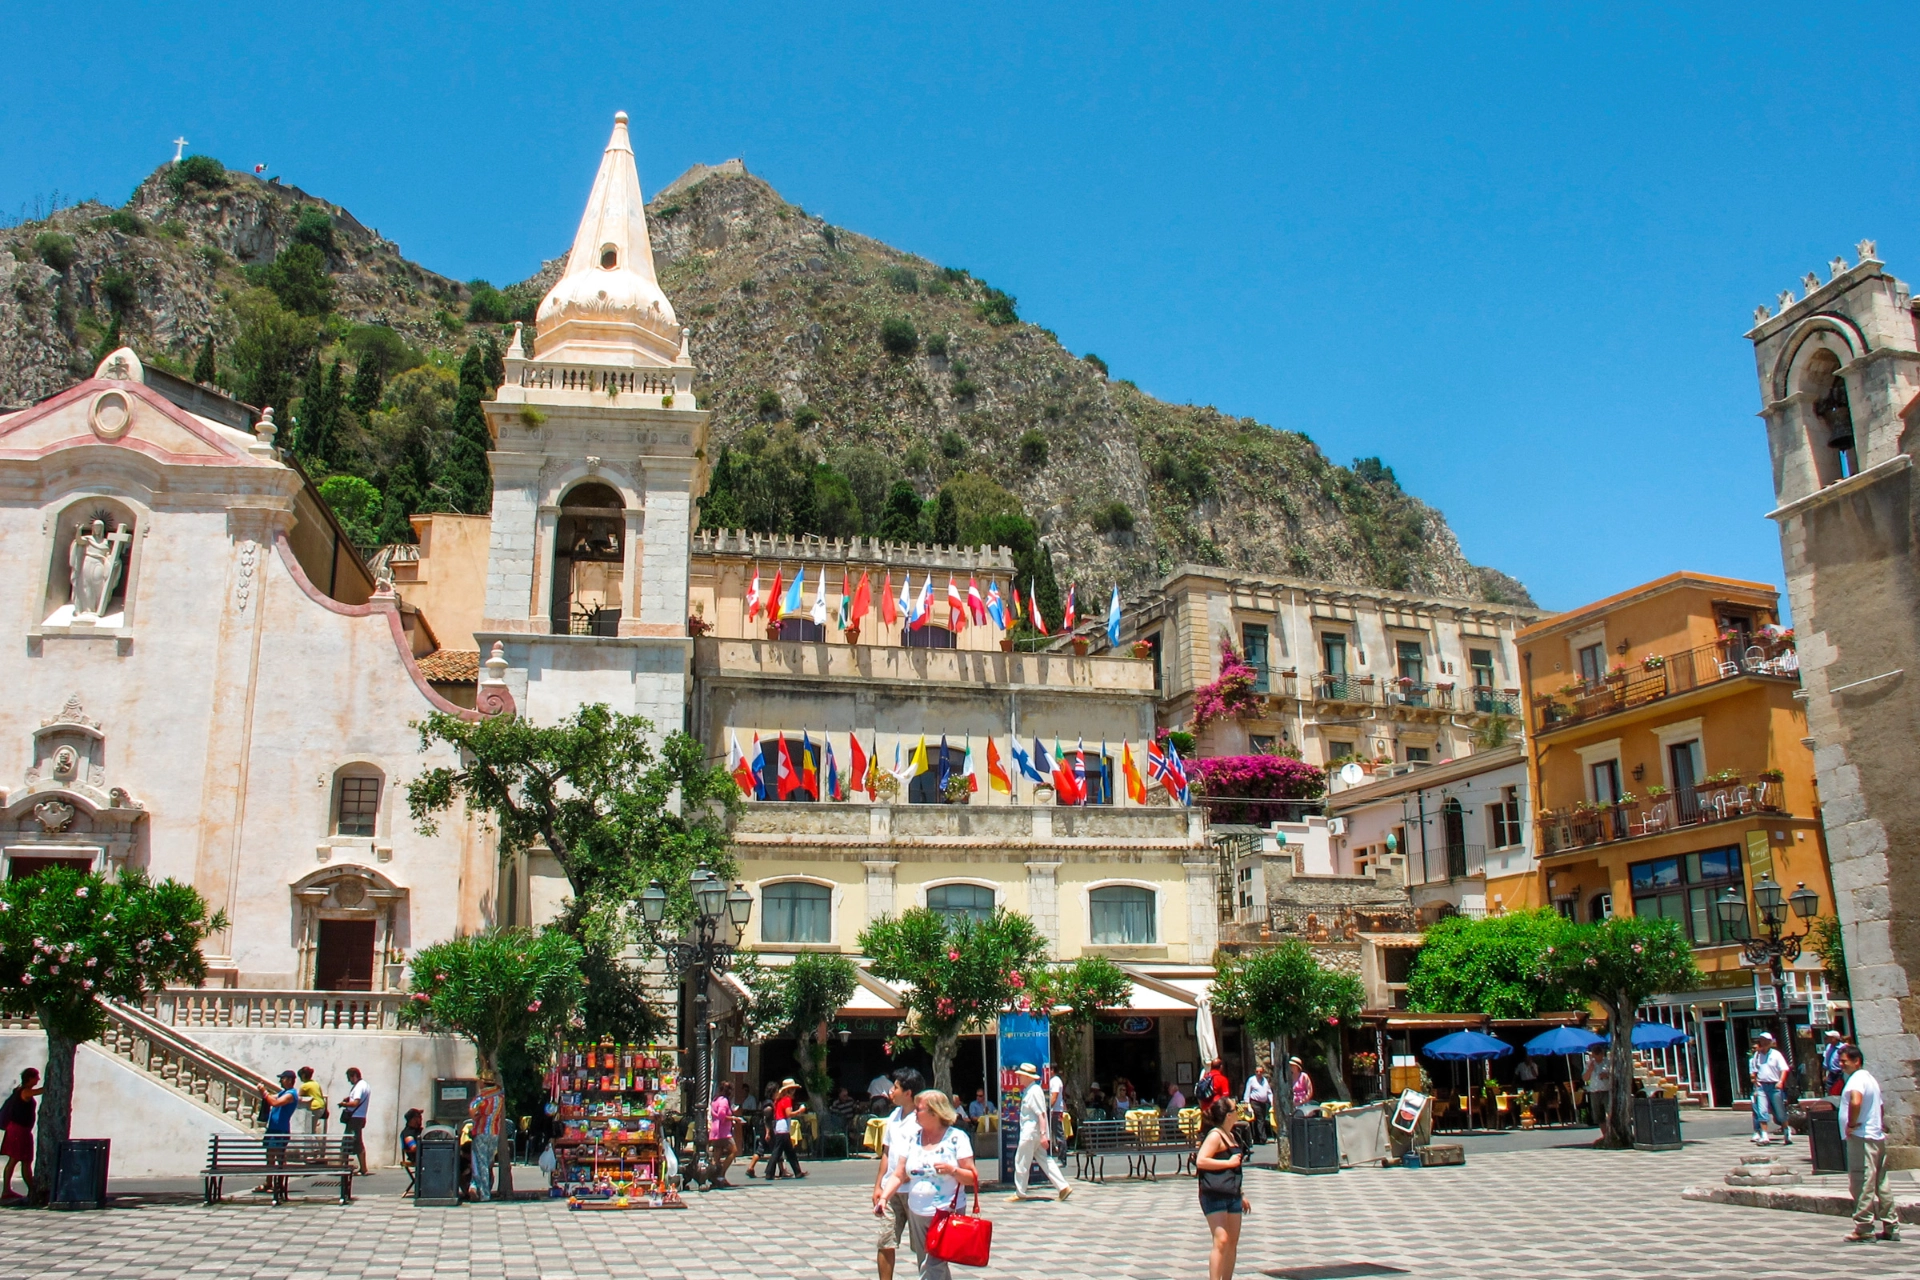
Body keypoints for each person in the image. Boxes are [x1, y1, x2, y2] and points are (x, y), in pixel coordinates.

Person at [879, 1089, 980, 1280]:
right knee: (928, 1261)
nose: (915, 1113)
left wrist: (953, 1170)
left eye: (919, 1109)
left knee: (932, 1264)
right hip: (918, 1211)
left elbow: (972, 1177)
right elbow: (899, 1174)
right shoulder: (913, 1139)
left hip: (946, 1211)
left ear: (935, 1112)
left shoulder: (956, 1138)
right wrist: (884, 1197)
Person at [1838, 1044, 1898, 1242]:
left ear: (1857, 1061)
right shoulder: (1870, 1079)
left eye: (1844, 1061)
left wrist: (1852, 1124)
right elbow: (1879, 1107)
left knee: (1861, 1180)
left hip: (1862, 1137)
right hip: (1875, 1135)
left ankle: (1864, 1227)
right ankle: (1891, 1225)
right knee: (1881, 1181)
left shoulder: (1857, 1079)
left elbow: (1856, 1101)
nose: (1841, 1064)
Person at [872, 1067, 927, 1280]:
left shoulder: (922, 1119)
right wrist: (878, 1186)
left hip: (915, 1191)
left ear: (908, 1093)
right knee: (885, 1241)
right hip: (891, 1191)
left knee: (922, 1246)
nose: (890, 1091)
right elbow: (887, 1152)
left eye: (895, 1087)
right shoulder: (894, 1115)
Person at [1195, 1095, 1250, 1280]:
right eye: (1235, 1110)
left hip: (1232, 1193)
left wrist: (1241, 1194)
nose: (1238, 1112)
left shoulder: (1232, 1135)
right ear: (1228, 1115)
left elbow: (1235, 1169)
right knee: (1221, 1240)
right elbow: (1201, 1161)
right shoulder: (1215, 1136)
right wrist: (1227, 1162)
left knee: (1232, 1242)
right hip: (1213, 1194)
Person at [1008, 1063, 1072, 1201]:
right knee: (1044, 1160)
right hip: (1034, 1133)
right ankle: (1063, 1187)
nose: (1018, 1077)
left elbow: (1041, 1114)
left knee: (1021, 1161)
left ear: (1027, 1077)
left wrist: (1043, 1135)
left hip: (1030, 1133)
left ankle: (1020, 1192)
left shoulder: (1033, 1092)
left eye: (1020, 1075)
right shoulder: (1031, 1090)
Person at [1, 1068, 44, 1202]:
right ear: (29, 1078)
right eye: (36, 1077)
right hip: (19, 1131)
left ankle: (14, 1189)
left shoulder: (19, 1090)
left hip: (19, 1130)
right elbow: (38, 1091)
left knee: (20, 1160)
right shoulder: (25, 1091)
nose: (38, 1079)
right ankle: (14, 1190)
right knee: (19, 1160)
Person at [259, 1071, 299, 1197]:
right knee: (270, 1157)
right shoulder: (283, 1093)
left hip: (280, 1130)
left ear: (289, 1080)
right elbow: (272, 1098)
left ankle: (280, 1183)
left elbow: (275, 1103)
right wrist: (264, 1092)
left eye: (283, 1078)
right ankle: (269, 1182)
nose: (281, 1081)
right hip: (273, 1129)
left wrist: (264, 1092)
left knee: (279, 1157)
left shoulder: (291, 1094)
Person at [1748, 1032, 1790, 1146]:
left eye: (1766, 1040)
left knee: (1779, 1111)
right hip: (1762, 1086)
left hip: (1774, 1085)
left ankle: (1786, 1131)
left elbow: (1784, 1069)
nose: (1764, 1042)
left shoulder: (1776, 1054)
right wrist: (1755, 1081)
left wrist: (1781, 1081)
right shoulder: (1757, 1055)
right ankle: (1764, 1135)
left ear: (1770, 1042)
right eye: (1761, 1040)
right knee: (1762, 1110)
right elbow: (1754, 1070)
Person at [468, 1076, 503, 1201]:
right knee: (488, 1162)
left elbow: (472, 1110)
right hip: (494, 1132)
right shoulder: (499, 1096)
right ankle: (474, 1185)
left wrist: (476, 1117)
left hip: (481, 1130)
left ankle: (483, 1193)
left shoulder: (481, 1097)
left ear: (483, 1083)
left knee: (480, 1162)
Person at [766, 1078, 807, 1180]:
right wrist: (800, 1111)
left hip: (780, 1126)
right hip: (783, 1127)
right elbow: (789, 1114)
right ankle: (769, 1172)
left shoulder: (779, 1100)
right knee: (778, 1151)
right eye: (792, 1089)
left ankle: (798, 1172)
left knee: (789, 1151)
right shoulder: (787, 1100)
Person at [341, 1066, 372, 1174]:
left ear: (354, 1076)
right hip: (360, 1117)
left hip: (355, 1118)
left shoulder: (359, 1087)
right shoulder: (365, 1085)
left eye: (349, 1078)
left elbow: (355, 1103)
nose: (349, 1080)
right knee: (355, 1142)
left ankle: (346, 1167)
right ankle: (361, 1168)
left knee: (349, 1142)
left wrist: (343, 1104)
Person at [707, 1081, 737, 1188]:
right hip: (723, 1132)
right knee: (734, 1151)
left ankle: (714, 1176)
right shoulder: (724, 1101)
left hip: (715, 1131)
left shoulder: (715, 1100)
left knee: (717, 1155)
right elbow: (722, 1115)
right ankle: (721, 1174)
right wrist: (734, 1118)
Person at [1243, 1064, 1274, 1143]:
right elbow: (1247, 1091)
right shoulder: (1251, 1080)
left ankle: (1257, 1138)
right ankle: (1263, 1138)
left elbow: (1269, 1092)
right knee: (1260, 1119)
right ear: (1255, 1072)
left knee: (1260, 1120)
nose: (1258, 1073)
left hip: (1263, 1103)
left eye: (1260, 1072)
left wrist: (1272, 1101)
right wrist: (1247, 1103)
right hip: (1254, 1102)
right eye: (1257, 1072)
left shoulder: (1264, 1081)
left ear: (1263, 1072)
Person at [295, 1066, 326, 1137]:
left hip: (314, 1108)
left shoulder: (305, 1086)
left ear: (303, 1076)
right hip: (321, 1107)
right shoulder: (316, 1083)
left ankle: (313, 1147)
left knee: (310, 1131)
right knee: (313, 1130)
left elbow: (298, 1097)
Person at [399, 1107, 425, 1192]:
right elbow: (413, 1147)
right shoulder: (408, 1132)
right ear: (412, 1119)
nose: (420, 1119)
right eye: (418, 1117)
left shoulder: (419, 1130)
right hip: (418, 1157)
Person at [1822, 1030, 1848, 1095]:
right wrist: (1824, 1074)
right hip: (1831, 1074)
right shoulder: (1829, 1047)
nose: (1826, 1038)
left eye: (1829, 1037)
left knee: (1840, 1091)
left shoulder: (1843, 1048)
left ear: (1834, 1038)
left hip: (1840, 1073)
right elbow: (1826, 1061)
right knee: (1830, 1091)